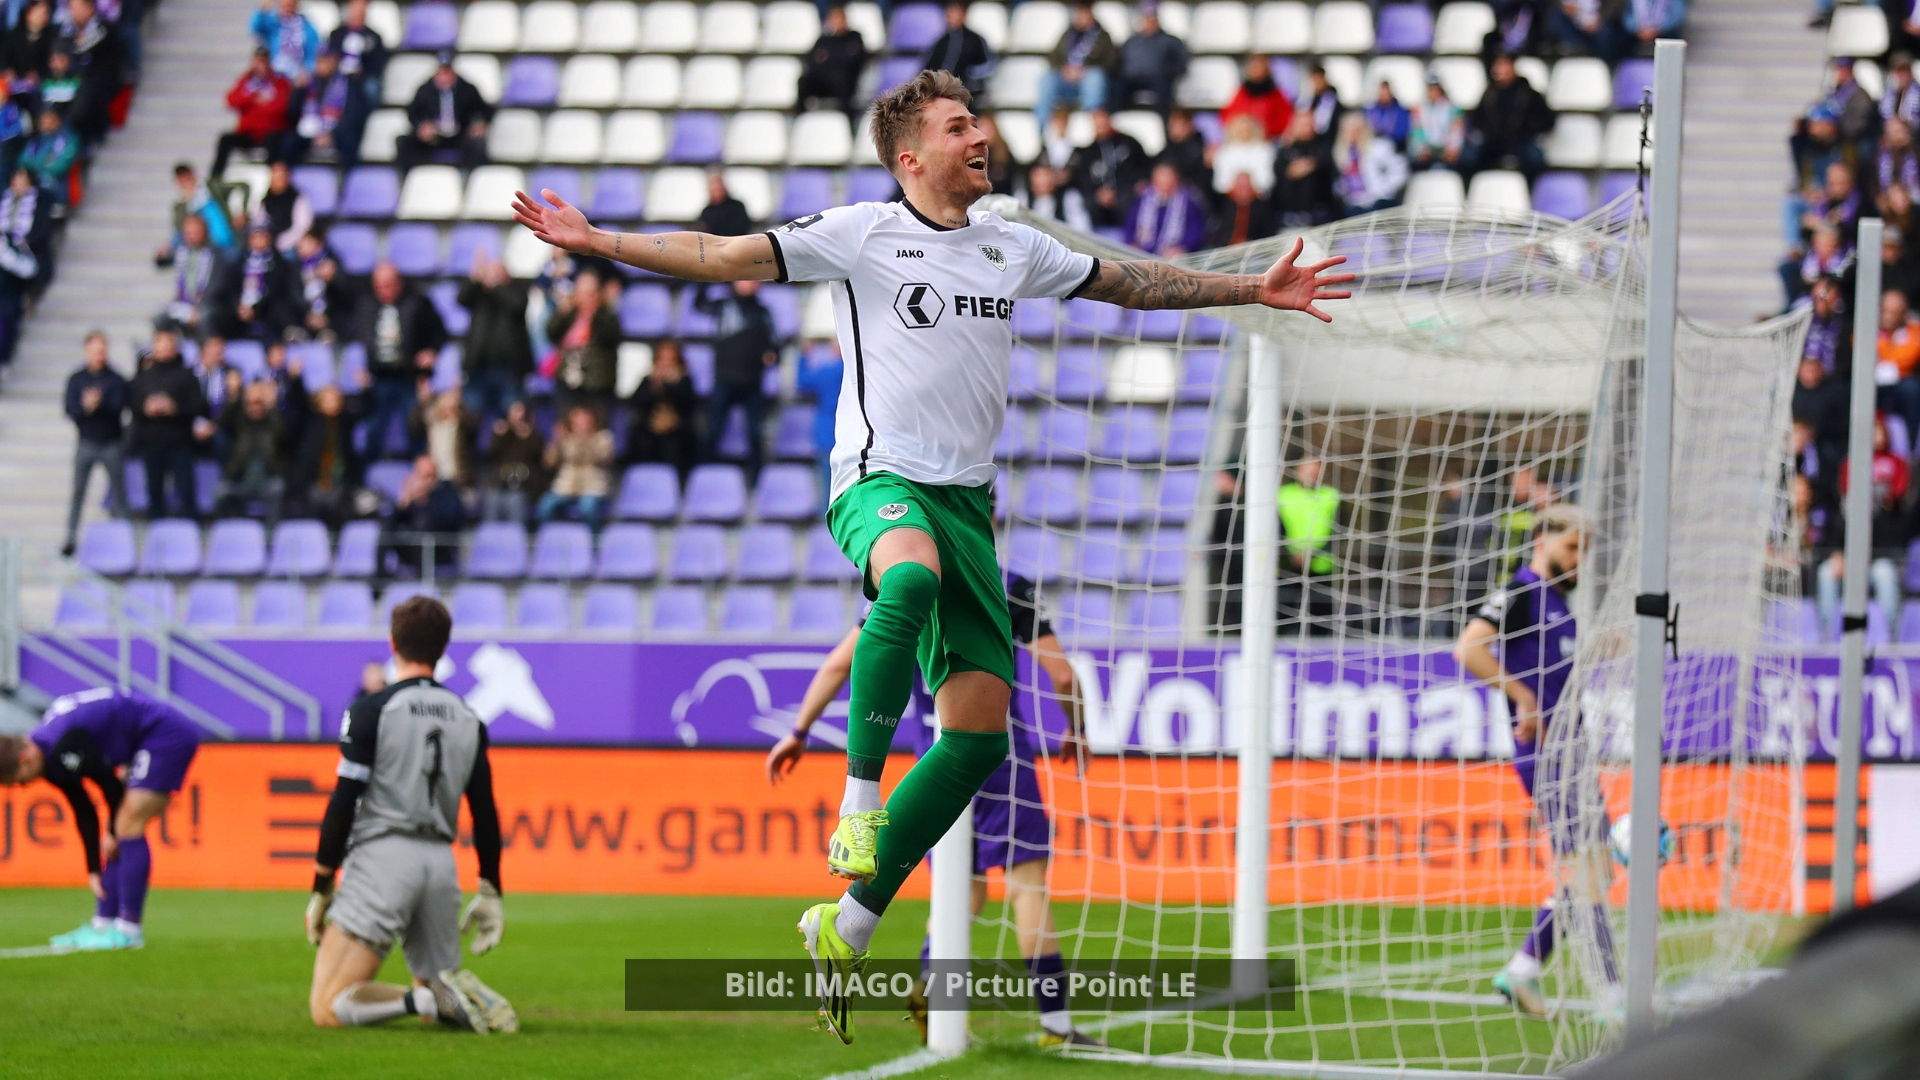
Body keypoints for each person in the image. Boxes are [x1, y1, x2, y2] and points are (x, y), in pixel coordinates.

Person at [512, 67, 1353, 1044]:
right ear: (912, 157)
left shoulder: (1009, 242)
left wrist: (1254, 287)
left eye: (979, 122)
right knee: (905, 577)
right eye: (960, 127)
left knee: (979, 738)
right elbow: (723, 255)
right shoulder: (864, 235)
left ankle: (851, 920)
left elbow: (1130, 283)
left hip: (969, 504)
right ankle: (858, 804)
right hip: (878, 482)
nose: (980, 136)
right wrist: (600, 242)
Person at [765, 573, 1098, 1049]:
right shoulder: (1005, 584)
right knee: (1027, 885)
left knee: (962, 890)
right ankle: (1058, 1025)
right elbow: (1062, 675)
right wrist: (1078, 727)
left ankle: (928, 985)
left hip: (934, 766)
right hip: (999, 757)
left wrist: (798, 730)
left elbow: (844, 663)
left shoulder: (905, 577)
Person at [305, 596, 515, 1034]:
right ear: (443, 649)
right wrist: (491, 887)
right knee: (439, 1002)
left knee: (327, 1007)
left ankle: (424, 996)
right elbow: (484, 811)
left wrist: (322, 884)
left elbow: (344, 801)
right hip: (440, 865)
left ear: (392, 642)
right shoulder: (470, 719)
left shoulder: (372, 710)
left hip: (385, 860)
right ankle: (438, 995)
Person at [1454, 505, 1620, 1017]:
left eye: (1583, 552)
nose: (1577, 560)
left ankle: (1522, 971)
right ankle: (1615, 996)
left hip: (1572, 752)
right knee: (1587, 871)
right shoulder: (1522, 591)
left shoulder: (1556, 605)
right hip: (1546, 755)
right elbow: (1470, 647)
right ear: (1542, 541)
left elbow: (1556, 668)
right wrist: (1522, 698)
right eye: (1571, 548)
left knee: (1595, 871)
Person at [0, 688, 204, 951]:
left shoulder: (64, 744)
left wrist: (110, 831)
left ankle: (129, 930)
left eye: (17, 780)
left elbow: (110, 787)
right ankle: (103, 924)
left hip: (163, 732)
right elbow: (83, 808)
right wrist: (94, 867)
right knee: (121, 827)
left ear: (23, 758)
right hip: (140, 740)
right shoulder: (49, 754)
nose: (24, 785)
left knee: (127, 825)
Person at [1816, 416, 1912, 634]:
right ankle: (1828, 635)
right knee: (1826, 573)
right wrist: (1838, 554)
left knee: (1884, 573)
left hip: (1876, 560)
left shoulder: (1891, 512)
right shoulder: (1845, 509)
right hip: (1849, 561)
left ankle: (1891, 635)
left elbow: (1894, 538)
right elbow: (1835, 531)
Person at [350, 262, 447, 460]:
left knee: (414, 427)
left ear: (399, 283)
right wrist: (359, 368)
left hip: (410, 377)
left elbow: (439, 333)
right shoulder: (366, 304)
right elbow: (356, 336)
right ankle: (366, 475)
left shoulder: (418, 302)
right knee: (373, 427)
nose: (383, 291)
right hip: (377, 377)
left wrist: (431, 353)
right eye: (379, 286)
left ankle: (419, 475)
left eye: (388, 285)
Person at [696, 278, 778, 477]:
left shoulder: (762, 312)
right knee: (713, 431)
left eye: (753, 279)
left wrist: (772, 355)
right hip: (724, 379)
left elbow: (773, 346)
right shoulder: (723, 306)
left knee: (754, 434)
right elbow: (698, 304)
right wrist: (709, 276)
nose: (749, 283)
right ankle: (706, 474)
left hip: (752, 382)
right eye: (744, 278)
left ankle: (756, 479)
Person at [127, 329, 208, 518]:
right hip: (152, 442)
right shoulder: (144, 376)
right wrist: (145, 407)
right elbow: (132, 402)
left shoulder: (187, 375)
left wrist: (175, 408)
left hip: (180, 442)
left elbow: (200, 406)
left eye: (168, 344)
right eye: (160, 344)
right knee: (154, 491)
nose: (164, 349)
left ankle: (190, 529)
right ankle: (157, 533)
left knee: (185, 490)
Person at [62, 329, 126, 556]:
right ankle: (70, 537)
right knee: (78, 492)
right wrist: (86, 407)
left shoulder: (115, 378)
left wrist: (100, 404)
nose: (98, 355)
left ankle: (123, 538)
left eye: (102, 350)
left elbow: (120, 407)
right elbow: (70, 409)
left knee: (119, 494)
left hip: (111, 443)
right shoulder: (77, 379)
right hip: (86, 442)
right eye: (94, 350)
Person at [456, 254, 531, 421]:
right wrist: (475, 279)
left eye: (497, 272)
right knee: (471, 416)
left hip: (509, 368)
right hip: (478, 367)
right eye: (490, 272)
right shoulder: (478, 294)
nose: (493, 276)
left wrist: (496, 287)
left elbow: (517, 305)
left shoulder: (517, 290)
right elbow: (461, 299)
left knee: (513, 416)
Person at [208, 223, 306, 342]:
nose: (258, 241)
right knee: (219, 313)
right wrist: (238, 305)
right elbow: (230, 287)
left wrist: (256, 308)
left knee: (280, 311)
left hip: (265, 308)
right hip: (241, 308)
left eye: (262, 237)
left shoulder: (279, 263)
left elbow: (276, 290)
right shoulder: (239, 262)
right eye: (255, 237)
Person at [397, 50, 492, 174]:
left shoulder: (468, 89)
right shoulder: (425, 90)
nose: (444, 76)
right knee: (403, 142)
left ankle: (473, 179)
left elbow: (484, 110)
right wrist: (421, 126)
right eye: (441, 72)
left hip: (460, 135)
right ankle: (413, 177)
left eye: (447, 72)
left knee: (478, 144)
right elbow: (413, 113)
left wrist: (479, 124)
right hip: (433, 137)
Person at [1277, 455, 1342, 634]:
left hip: (1321, 565)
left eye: (1316, 471)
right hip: (1288, 565)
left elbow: (1338, 532)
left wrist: (1312, 554)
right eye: (1308, 470)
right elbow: (1276, 530)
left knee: (1321, 617)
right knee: (1283, 613)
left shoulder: (1331, 496)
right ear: (1297, 471)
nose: (1312, 475)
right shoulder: (1282, 495)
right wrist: (1291, 554)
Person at [544, 262, 619, 414]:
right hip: (568, 382)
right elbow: (551, 334)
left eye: (590, 293)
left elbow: (611, 337)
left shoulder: (606, 316)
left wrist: (595, 313)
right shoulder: (569, 315)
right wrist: (561, 313)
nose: (585, 298)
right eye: (582, 292)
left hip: (597, 385)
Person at [1467, 54, 1555, 180]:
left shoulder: (1529, 93)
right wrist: (1487, 131)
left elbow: (1547, 120)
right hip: (1495, 140)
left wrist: (1529, 128)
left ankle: (1533, 192)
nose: (1500, 71)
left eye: (1504, 66)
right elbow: (1477, 119)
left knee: (1534, 159)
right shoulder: (1490, 94)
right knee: (1471, 157)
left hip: (1522, 139)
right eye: (1498, 66)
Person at [216, 379, 290, 525]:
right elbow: (223, 423)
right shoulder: (239, 422)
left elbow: (282, 432)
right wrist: (234, 397)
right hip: (240, 478)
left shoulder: (272, 422)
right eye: (250, 403)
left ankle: (272, 534)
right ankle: (226, 533)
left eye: (259, 403)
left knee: (278, 488)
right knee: (221, 492)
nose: (254, 407)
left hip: (267, 479)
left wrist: (271, 406)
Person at [325, 0, 388, 168]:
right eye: (355, 13)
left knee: (363, 91)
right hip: (338, 82)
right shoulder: (337, 35)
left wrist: (360, 72)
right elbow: (329, 59)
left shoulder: (373, 37)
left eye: (361, 13)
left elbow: (378, 66)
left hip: (361, 82)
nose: (357, 17)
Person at [291, 383, 364, 526]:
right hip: (314, 482)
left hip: (340, 483)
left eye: (335, 400)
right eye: (328, 400)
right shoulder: (311, 422)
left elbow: (366, 409)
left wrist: (366, 390)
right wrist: (296, 380)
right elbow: (299, 404)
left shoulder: (345, 423)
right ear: (319, 403)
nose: (333, 404)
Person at [213, 48, 292, 177]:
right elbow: (231, 100)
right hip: (249, 133)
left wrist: (255, 105)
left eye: (263, 61)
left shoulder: (280, 82)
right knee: (225, 140)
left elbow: (281, 107)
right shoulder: (247, 81)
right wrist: (252, 98)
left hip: (270, 133)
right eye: (257, 61)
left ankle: (272, 179)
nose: (260, 66)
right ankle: (215, 179)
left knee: (274, 142)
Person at [1067, 107, 1148, 228]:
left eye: (1103, 122)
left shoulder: (1129, 143)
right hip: (1098, 195)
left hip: (1125, 191)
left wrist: (1139, 182)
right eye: (1097, 124)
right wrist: (1098, 193)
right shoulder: (1087, 152)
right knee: (1082, 200)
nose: (1101, 127)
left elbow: (1144, 166)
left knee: (1130, 198)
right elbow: (1081, 179)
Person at [1034, 0, 1114, 122]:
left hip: (1086, 80)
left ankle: (1091, 123)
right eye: (1079, 13)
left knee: (1095, 78)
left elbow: (1110, 62)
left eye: (1084, 13)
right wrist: (1064, 69)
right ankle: (1041, 127)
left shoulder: (1102, 36)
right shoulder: (1068, 34)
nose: (1081, 17)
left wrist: (1084, 70)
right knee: (1047, 79)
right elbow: (1053, 57)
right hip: (1065, 79)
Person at [0, 164, 49, 363]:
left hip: (15, 274)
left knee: (7, 314)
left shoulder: (39, 203)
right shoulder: (5, 200)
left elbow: (29, 267)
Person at [535, 403, 613, 525]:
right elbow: (548, 463)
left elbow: (604, 458)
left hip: (592, 488)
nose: (579, 422)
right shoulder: (565, 439)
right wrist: (556, 441)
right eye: (576, 419)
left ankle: (594, 541)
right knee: (545, 506)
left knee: (588, 509)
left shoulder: (603, 437)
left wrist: (584, 438)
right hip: (565, 487)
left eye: (583, 418)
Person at [58, 0, 121, 145]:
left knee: (87, 94)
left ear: (90, 8)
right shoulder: (65, 32)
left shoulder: (106, 30)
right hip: (72, 81)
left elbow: (111, 63)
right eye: (71, 8)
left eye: (77, 8)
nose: (73, 13)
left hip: (98, 84)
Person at [1111, 2, 1185, 118]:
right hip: (1132, 79)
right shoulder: (1132, 41)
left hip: (1158, 78)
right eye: (1146, 19)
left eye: (1152, 19)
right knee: (1117, 88)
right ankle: (1118, 122)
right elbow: (1118, 61)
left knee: (1164, 89)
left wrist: (1168, 74)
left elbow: (1180, 63)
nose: (1149, 23)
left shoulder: (1170, 41)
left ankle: (1163, 123)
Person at [1331, 112, 1409, 215]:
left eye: (1356, 130)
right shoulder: (1341, 152)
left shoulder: (1379, 147)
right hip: (1354, 204)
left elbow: (1401, 171)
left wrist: (1384, 188)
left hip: (1377, 203)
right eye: (1348, 131)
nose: (1353, 134)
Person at [797, 5, 868, 117]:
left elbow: (853, 60)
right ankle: (800, 117)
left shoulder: (854, 37)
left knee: (843, 80)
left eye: (838, 18)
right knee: (804, 81)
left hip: (844, 82)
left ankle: (848, 121)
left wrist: (827, 59)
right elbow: (812, 61)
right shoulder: (823, 40)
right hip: (823, 81)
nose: (836, 22)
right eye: (833, 19)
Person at [480, 399, 544, 521]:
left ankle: (516, 538)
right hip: (501, 483)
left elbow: (537, 457)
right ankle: (490, 537)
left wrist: (526, 436)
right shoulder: (504, 434)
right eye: (515, 410)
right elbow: (492, 452)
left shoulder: (535, 436)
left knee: (515, 501)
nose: (518, 415)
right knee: (492, 499)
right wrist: (500, 434)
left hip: (524, 485)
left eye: (521, 410)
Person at [283, 49, 350, 166]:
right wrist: (298, 90)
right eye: (320, 61)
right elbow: (292, 113)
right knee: (288, 142)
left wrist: (332, 134)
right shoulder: (307, 84)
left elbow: (350, 116)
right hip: (308, 132)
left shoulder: (345, 84)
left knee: (349, 143)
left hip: (334, 132)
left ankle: (343, 180)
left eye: (326, 61)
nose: (323, 64)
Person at [1125, 160, 1205, 256]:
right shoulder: (1142, 200)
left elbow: (1195, 231)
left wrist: (1182, 247)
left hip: (1173, 255)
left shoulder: (1188, 203)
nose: (1163, 181)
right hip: (1142, 253)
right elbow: (1129, 225)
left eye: (1167, 176)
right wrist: (1133, 244)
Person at [795, 340, 842, 501]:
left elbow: (802, 381)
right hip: (858, 435)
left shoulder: (827, 372)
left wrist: (803, 356)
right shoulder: (862, 373)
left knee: (827, 488)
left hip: (828, 433)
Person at [920, 0, 996, 100]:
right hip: (940, 95)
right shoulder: (941, 41)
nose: (950, 15)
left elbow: (988, 65)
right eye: (949, 11)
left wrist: (970, 79)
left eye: (955, 11)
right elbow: (928, 67)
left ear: (964, 14)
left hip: (969, 96)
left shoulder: (975, 40)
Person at [1272, 111, 1337, 226]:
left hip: (1319, 207)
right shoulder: (1286, 147)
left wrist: (1306, 166)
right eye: (1301, 124)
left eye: (1308, 124)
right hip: (1289, 209)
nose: (1305, 128)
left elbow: (1325, 163)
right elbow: (1281, 169)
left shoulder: (1323, 143)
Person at [410, 386, 477, 491]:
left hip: (459, 479)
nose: (447, 410)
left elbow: (474, 425)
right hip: (435, 479)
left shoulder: (461, 425)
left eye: (451, 407)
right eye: (444, 406)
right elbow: (414, 426)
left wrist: (460, 402)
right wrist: (423, 402)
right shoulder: (432, 424)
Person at [1879, 288, 1920, 442]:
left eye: (1894, 312)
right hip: (1871, 385)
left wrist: (1885, 362)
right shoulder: (1867, 328)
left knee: (1911, 388)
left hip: (1898, 386)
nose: (1888, 316)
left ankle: (1911, 447)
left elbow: (1908, 358)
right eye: (1885, 311)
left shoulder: (1914, 331)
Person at [1220, 53, 1293, 140]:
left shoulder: (1276, 95)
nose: (1257, 70)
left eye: (1260, 66)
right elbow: (1229, 117)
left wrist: (1265, 131)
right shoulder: (1241, 93)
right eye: (1254, 66)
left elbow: (1284, 120)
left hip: (1269, 141)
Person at [1408, 75, 1466, 171]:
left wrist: (1452, 148)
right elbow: (1416, 132)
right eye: (1430, 89)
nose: (1433, 92)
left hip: (1446, 149)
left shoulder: (1452, 108)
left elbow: (1456, 130)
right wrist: (1422, 150)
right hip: (1427, 150)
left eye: (1435, 88)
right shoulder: (1419, 109)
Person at [251, 0, 319, 82]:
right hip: (274, 76)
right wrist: (263, 9)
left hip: (296, 78)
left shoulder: (307, 27)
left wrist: (307, 72)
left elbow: (312, 54)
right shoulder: (273, 23)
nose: (287, 4)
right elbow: (255, 27)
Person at [19, 107, 80, 198]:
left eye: (50, 121)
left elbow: (60, 166)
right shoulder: (35, 140)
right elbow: (22, 161)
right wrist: (44, 163)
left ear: (58, 121)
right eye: (44, 121)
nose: (46, 125)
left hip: (57, 184)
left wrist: (35, 165)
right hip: (34, 182)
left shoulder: (68, 139)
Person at [1546, 0, 1630, 64]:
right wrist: (1565, 6)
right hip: (1573, 22)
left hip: (1599, 23)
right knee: (1555, 18)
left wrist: (1600, 20)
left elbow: (1615, 5)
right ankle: (1574, 53)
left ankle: (1604, 67)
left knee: (1606, 33)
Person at [1212, 114, 1275, 198]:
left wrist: (1251, 189)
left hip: (1258, 198)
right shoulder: (1225, 151)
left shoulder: (1264, 150)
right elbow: (1220, 182)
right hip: (1230, 199)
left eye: (1248, 129)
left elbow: (1267, 179)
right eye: (1241, 130)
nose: (1245, 132)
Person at [1208, 171, 1277, 248]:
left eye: (1246, 187)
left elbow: (1268, 233)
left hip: (1253, 250)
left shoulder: (1262, 207)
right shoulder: (1223, 203)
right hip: (1225, 249)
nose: (1243, 191)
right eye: (1240, 187)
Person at [1017, 162, 1090, 231]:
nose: (1042, 180)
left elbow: (1082, 230)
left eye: (1046, 175)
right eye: (1038, 176)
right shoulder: (1023, 198)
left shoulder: (1070, 198)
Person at [1160, 109, 1210, 194]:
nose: (1173, 129)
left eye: (1178, 125)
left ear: (1189, 125)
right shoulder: (1166, 150)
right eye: (1171, 125)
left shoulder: (1201, 148)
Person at [695, 171, 752, 237]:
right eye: (714, 190)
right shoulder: (706, 212)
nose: (717, 193)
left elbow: (742, 228)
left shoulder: (737, 207)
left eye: (718, 188)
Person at [1363, 80, 1411, 149]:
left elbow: (1402, 133)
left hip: (1394, 147)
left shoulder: (1400, 112)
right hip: (1372, 146)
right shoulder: (1370, 111)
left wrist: (1385, 133)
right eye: (1382, 92)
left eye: (1386, 92)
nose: (1384, 95)